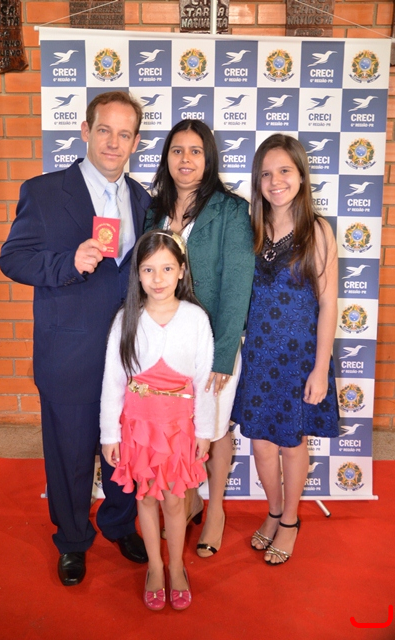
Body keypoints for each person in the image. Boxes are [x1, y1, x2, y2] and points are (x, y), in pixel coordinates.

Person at [0, 91, 152, 586]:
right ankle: (71, 539)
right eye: (104, 130)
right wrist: (67, 263)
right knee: (68, 453)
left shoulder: (144, 201)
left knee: (123, 449)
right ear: (86, 131)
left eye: (124, 134)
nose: (113, 142)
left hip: (129, 356)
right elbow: (12, 259)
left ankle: (119, 523)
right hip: (68, 353)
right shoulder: (44, 192)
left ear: (135, 142)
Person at [145, 119, 255, 558]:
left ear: (209, 159)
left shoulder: (230, 210)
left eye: (195, 151)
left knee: (214, 425)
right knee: (180, 426)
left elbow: (238, 284)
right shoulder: (154, 209)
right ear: (166, 158)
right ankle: (188, 500)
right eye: (177, 150)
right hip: (165, 343)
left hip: (212, 341)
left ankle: (215, 511)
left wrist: (224, 353)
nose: (185, 159)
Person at [232, 133, 339, 565]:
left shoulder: (317, 230)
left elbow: (329, 304)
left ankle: (291, 520)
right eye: (266, 174)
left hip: (299, 360)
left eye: (284, 171)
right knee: (260, 444)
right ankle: (274, 512)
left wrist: (320, 369)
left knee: (292, 443)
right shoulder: (251, 229)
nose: (275, 181)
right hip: (258, 356)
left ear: (301, 175)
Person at [100, 230, 215, 610]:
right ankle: (154, 566)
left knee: (176, 501)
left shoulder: (196, 319)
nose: (158, 278)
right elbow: (113, 381)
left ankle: (176, 566)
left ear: (182, 271)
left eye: (167, 268)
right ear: (138, 274)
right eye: (148, 269)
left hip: (179, 428)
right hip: (139, 428)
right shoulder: (126, 319)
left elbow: (204, 381)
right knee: (147, 498)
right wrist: (109, 434)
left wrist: (205, 431)